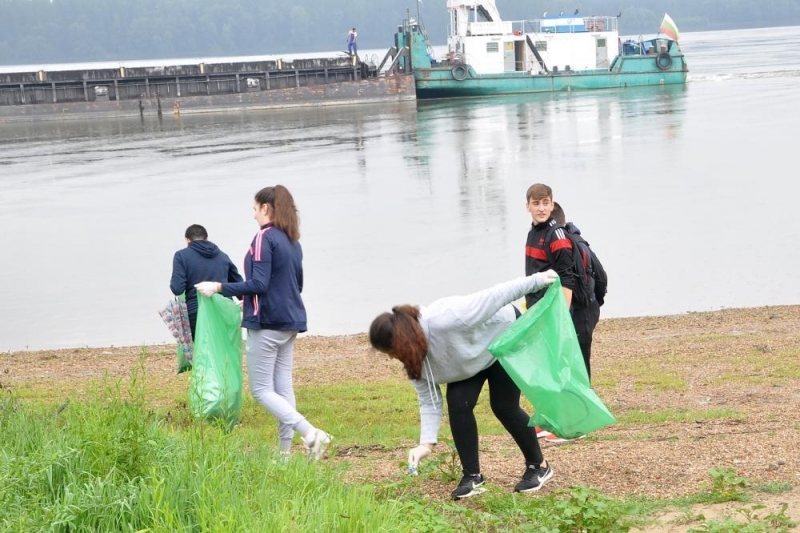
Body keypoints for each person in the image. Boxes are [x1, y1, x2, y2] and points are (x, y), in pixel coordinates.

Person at [369, 271, 559, 500]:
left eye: (391, 352)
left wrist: (536, 281)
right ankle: (473, 476)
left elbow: (496, 295)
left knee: (503, 405)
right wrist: (425, 446)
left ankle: (538, 465)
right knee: (458, 403)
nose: (391, 358)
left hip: (503, 336)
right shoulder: (412, 359)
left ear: (403, 342)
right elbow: (429, 399)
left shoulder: (448, 317)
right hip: (470, 357)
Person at [195, 186, 331, 459]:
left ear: (266, 209)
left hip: (268, 322)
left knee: (260, 390)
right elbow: (297, 284)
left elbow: (259, 283)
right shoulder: (293, 242)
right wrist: (249, 297)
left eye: (255, 209)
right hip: (291, 320)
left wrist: (218, 286)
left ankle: (310, 433)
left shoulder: (263, 237)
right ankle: (284, 454)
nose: (253, 214)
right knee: (282, 388)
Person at [524, 185, 600, 443]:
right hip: (547, 313)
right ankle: (553, 419)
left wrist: (561, 318)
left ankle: (577, 426)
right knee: (552, 367)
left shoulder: (556, 235)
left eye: (546, 203)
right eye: (537, 203)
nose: (542, 208)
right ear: (528, 207)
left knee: (572, 369)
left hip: (571, 312)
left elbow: (566, 279)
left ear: (552, 203)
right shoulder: (535, 233)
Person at [169, 224, 243, 339]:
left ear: (187, 240)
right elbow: (239, 287)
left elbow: (177, 288)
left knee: (203, 351)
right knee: (222, 350)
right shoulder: (223, 256)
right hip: (223, 311)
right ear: (207, 238)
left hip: (196, 313)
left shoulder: (181, 256)